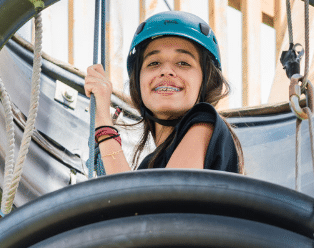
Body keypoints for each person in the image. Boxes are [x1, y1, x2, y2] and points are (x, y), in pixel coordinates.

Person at [84, 11, 245, 175]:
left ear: (205, 80)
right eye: (154, 63)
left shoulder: (204, 123)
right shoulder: (149, 167)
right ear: (138, 81)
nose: (166, 71)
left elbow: (148, 200)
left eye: (183, 63)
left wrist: (103, 125)